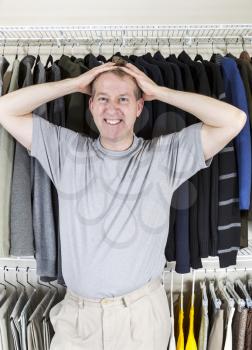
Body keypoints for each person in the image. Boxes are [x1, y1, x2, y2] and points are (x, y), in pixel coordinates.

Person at [0, 60, 246, 350]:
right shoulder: (64, 150)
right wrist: (75, 83)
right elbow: (5, 109)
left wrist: (160, 91)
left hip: (139, 319)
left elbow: (234, 119)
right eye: (103, 98)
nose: (112, 108)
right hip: (78, 321)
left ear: (139, 107)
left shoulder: (164, 156)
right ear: (91, 105)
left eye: (123, 99)